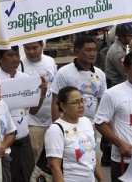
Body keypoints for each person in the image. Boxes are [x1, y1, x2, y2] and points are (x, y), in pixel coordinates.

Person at [0, 46, 47, 182]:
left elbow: (33, 111)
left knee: (28, 176)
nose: (15, 59)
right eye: (10, 55)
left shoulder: (25, 78)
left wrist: (41, 94)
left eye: (17, 55)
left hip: (24, 140)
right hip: (5, 141)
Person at [46, 86, 104, 182]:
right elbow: (54, 166)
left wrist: (101, 179)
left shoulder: (86, 122)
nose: (81, 105)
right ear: (63, 106)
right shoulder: (55, 130)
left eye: (82, 101)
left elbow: (92, 154)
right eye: (75, 102)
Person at [51, 35, 107, 123]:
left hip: (91, 126)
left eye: (95, 50)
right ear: (77, 52)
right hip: (69, 124)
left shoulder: (100, 74)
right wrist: (58, 127)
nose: (92, 53)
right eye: (88, 50)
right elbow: (55, 103)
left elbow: (102, 101)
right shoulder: (64, 72)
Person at [95, 52, 132, 181]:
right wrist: (120, 144)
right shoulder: (113, 94)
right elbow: (100, 123)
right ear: (126, 70)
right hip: (125, 161)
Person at [21, 40, 57, 162]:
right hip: (32, 121)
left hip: (51, 119)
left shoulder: (50, 61)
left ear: (42, 46)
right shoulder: (20, 65)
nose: (31, 52)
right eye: (27, 48)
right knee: (34, 156)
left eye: (35, 47)